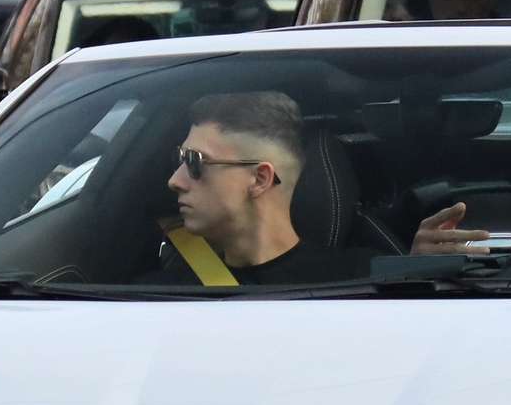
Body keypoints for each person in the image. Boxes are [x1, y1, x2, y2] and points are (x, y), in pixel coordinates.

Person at [140, 92, 479, 285]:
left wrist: (414, 275)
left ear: (259, 179)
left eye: (196, 161)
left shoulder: (366, 278)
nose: (175, 179)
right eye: (180, 159)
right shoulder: (146, 295)